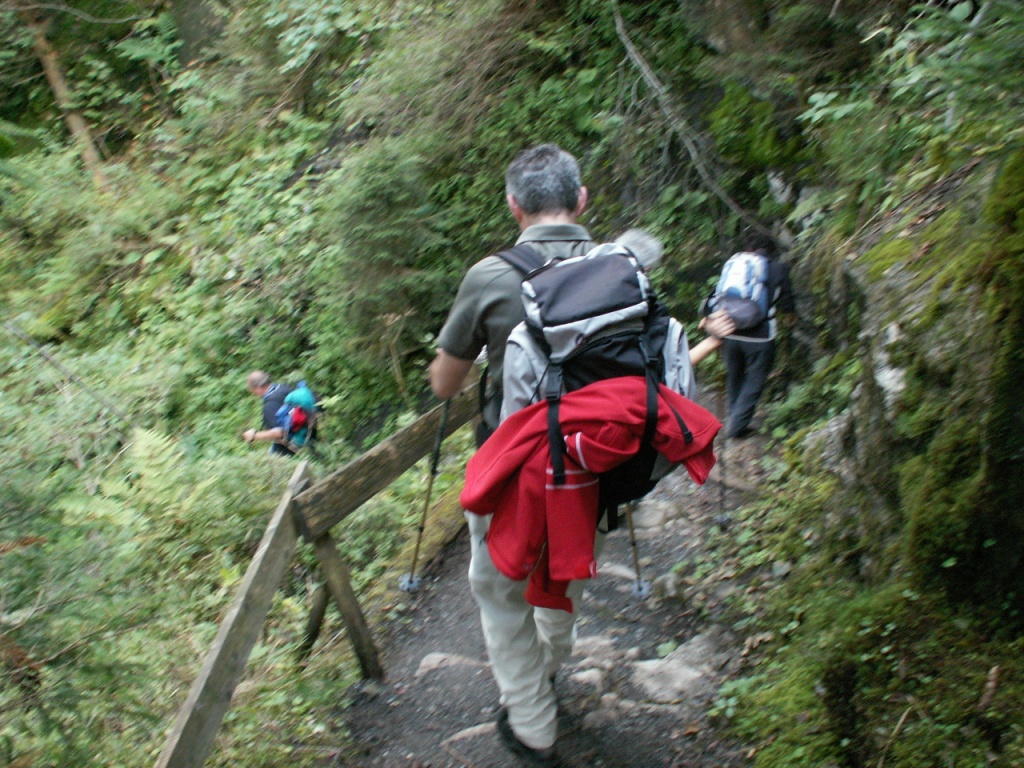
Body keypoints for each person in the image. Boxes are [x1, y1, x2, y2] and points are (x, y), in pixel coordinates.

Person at [428, 144, 732, 766]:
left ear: (513, 205)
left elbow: (444, 384)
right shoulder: (620, 269)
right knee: (566, 564)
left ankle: (533, 724)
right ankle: (550, 662)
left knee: (499, 589)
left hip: (516, 467)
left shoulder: (490, 276)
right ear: (582, 200)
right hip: (599, 465)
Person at [720, 234, 796, 439]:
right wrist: (790, 319)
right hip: (760, 336)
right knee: (755, 380)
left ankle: (733, 416)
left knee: (734, 375)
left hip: (729, 329)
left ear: (749, 248)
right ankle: (737, 426)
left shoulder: (737, 265)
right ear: (772, 251)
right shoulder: (779, 268)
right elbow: (787, 302)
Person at [242, 370, 298, 457]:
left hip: (292, 443)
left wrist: (254, 436)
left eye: (252, 390)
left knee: (268, 459)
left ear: (258, 388)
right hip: (304, 431)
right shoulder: (283, 387)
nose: (253, 393)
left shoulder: (270, 405)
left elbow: (279, 433)